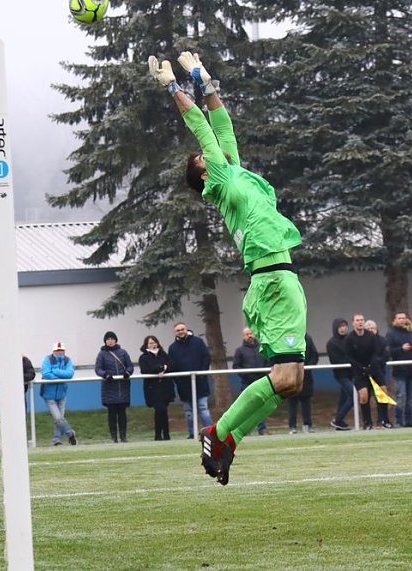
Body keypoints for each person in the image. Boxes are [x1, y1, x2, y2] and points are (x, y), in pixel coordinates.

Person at [149, 52, 307, 485]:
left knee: (292, 381)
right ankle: (217, 434)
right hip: (272, 280)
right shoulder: (219, 180)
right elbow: (201, 125)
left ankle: (229, 439)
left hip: (279, 277)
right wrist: (172, 87)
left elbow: (220, 124)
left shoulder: (233, 170)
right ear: (203, 177)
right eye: (202, 158)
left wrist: (203, 77)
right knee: (286, 377)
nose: (207, 153)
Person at [168, 322, 213, 440]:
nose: (180, 331)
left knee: (203, 409)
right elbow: (172, 366)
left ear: (186, 329)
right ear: (175, 332)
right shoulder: (173, 348)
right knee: (188, 412)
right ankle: (192, 433)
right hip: (184, 386)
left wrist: (202, 374)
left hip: (200, 383)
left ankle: (211, 433)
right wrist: (178, 381)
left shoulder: (198, 342)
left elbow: (206, 357)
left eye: (182, 329)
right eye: (178, 330)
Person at [345, 314, 382, 430]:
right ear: (353, 323)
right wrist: (360, 369)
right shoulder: (349, 339)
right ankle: (367, 422)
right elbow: (349, 357)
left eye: (361, 320)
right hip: (359, 372)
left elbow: (375, 353)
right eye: (357, 320)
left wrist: (370, 366)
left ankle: (383, 420)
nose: (360, 322)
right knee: (364, 396)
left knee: (382, 393)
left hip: (372, 369)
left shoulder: (371, 336)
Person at [95, 331, 134, 443]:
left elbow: (130, 366)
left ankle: (123, 436)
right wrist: (105, 375)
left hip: (123, 387)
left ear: (116, 340)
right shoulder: (102, 354)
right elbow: (98, 369)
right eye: (108, 339)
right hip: (109, 388)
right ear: (105, 341)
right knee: (112, 413)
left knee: (122, 413)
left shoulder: (123, 352)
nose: (110, 341)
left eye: (112, 339)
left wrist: (127, 373)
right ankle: (114, 437)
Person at [232, 327, 271, 436]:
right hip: (247, 383)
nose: (249, 336)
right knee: (246, 407)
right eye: (247, 334)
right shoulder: (239, 351)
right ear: (243, 336)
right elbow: (236, 366)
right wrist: (246, 376)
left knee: (261, 407)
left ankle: (262, 428)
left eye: (251, 333)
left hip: (262, 382)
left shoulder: (262, 348)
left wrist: (265, 376)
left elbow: (268, 363)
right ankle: (243, 429)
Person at [40, 342, 77, 446]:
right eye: (58, 351)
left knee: (59, 419)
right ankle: (70, 433)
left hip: (62, 394)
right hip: (49, 395)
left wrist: (55, 371)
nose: (60, 353)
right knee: (58, 418)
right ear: (54, 351)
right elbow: (46, 374)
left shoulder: (67, 360)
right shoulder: (47, 359)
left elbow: (70, 374)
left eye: (62, 351)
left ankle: (56, 440)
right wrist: (61, 376)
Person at [139, 335, 175, 441]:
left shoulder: (163, 354)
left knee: (163, 411)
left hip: (165, 387)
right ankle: (159, 434)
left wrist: (164, 369)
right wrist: (159, 368)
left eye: (154, 342)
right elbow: (145, 370)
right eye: (150, 343)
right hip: (152, 389)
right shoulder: (143, 357)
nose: (153, 344)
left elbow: (171, 365)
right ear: (146, 345)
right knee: (160, 410)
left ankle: (165, 434)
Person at [387, 312, 412, 427]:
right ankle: (399, 420)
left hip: (411, 369)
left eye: (403, 318)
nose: (401, 320)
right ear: (395, 320)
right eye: (399, 318)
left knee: (410, 398)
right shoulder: (391, 333)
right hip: (399, 370)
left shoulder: (411, 333)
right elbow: (389, 351)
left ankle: (409, 420)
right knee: (400, 396)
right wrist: (401, 349)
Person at [365, 319, 394, 429]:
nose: (371, 330)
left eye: (373, 328)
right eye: (369, 329)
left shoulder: (382, 341)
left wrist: (375, 363)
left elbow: (386, 355)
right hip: (365, 373)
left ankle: (384, 420)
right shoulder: (362, 341)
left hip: (379, 372)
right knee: (365, 398)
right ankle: (367, 422)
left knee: (382, 397)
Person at [327, 318, 354, 431]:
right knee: (354, 395)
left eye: (344, 326)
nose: (343, 329)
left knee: (344, 398)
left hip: (352, 373)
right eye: (340, 326)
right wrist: (350, 361)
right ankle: (338, 419)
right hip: (341, 374)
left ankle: (339, 422)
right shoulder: (331, 343)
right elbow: (336, 360)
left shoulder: (350, 340)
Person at [288, 333, 318, 434]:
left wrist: (307, 368)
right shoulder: (286, 336)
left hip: (306, 376)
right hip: (291, 376)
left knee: (306, 402)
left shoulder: (307, 338)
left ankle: (308, 425)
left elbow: (314, 355)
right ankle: (292, 427)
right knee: (292, 402)